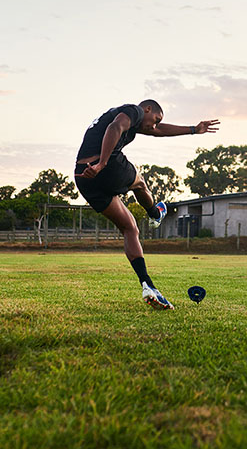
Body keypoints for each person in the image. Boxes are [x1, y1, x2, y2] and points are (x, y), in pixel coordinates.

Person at [74, 99, 219, 310]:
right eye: (155, 119)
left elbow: (158, 131)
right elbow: (115, 127)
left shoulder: (135, 121)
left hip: (84, 178)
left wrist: (193, 130)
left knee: (130, 227)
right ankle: (154, 213)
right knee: (140, 183)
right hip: (103, 166)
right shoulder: (133, 111)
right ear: (147, 109)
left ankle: (148, 286)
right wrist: (102, 163)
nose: (154, 125)